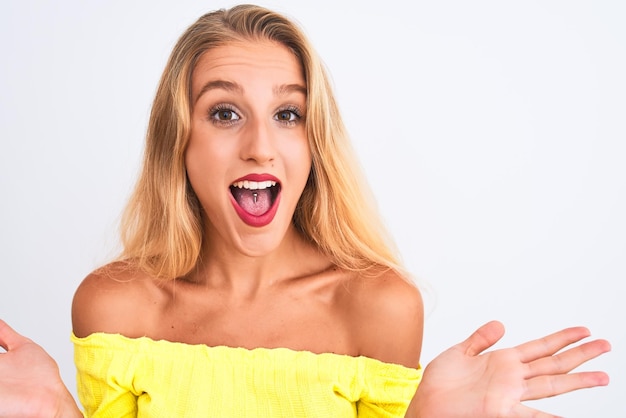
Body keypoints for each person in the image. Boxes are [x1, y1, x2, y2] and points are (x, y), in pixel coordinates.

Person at [0, 4, 611, 417]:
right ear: (176, 139)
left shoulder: (377, 307)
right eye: (224, 112)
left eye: (288, 114)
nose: (260, 145)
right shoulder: (116, 305)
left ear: (315, 141)